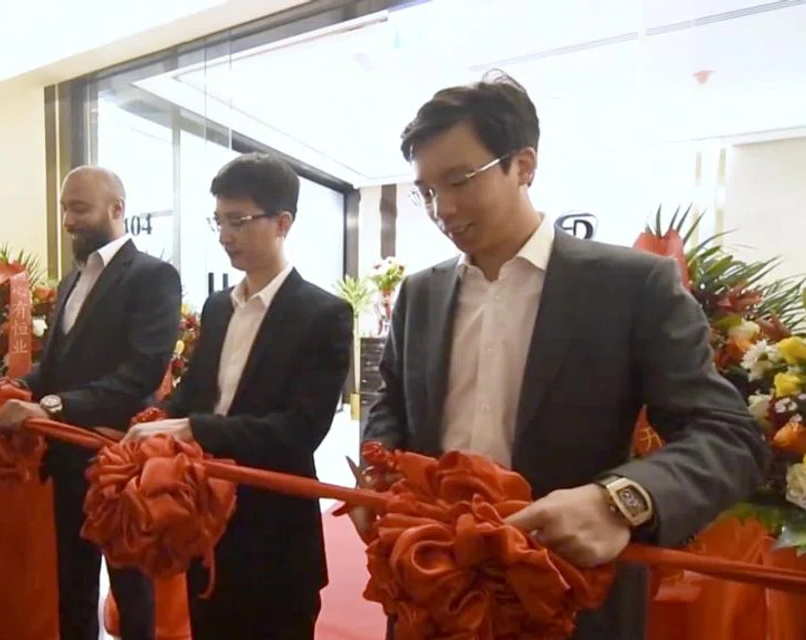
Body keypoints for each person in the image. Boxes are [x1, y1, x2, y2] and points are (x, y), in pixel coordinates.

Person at [355, 72, 769, 640]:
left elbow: (728, 436)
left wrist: (619, 500)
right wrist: (378, 479)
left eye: (459, 181)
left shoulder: (632, 285)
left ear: (523, 165)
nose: (441, 208)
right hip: (433, 588)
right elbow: (392, 406)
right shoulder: (420, 294)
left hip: (567, 595)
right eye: (426, 191)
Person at [125, 152, 353, 640]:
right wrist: (157, 419)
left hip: (274, 535)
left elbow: (299, 432)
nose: (226, 236)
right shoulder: (218, 307)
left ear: (282, 223)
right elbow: (195, 393)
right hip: (202, 521)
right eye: (219, 222)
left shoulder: (323, 315)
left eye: (239, 221)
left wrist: (192, 429)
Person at [0, 165, 182, 640]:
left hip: (116, 462)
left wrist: (51, 406)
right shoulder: (71, 280)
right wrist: (16, 388)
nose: (68, 221)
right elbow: (56, 364)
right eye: (64, 209)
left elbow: (140, 371)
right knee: (72, 584)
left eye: (78, 208)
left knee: (130, 590)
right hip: (65, 456)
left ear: (117, 209)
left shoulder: (153, 276)